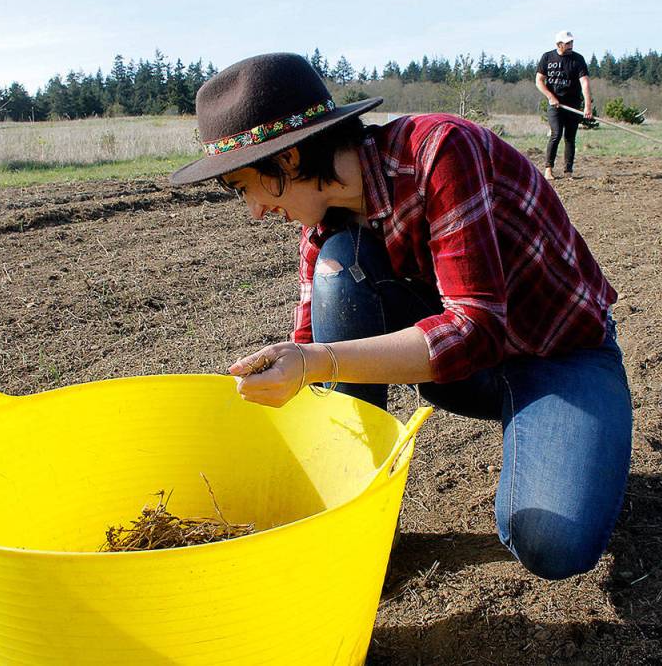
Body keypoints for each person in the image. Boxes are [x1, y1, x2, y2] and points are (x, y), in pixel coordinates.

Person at [170, 53, 631, 581]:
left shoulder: (441, 151)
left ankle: (569, 428)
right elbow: (309, 348)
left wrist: (314, 361)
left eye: (244, 186)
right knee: (339, 267)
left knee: (553, 543)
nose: (253, 210)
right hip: (465, 376)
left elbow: (475, 329)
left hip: (559, 355)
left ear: (290, 159)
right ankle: (356, 524)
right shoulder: (325, 229)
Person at [536, 31, 594, 180]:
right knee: (556, 134)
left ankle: (568, 171)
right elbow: (539, 81)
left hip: (573, 104)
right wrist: (550, 96)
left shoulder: (578, 59)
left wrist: (587, 105)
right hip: (555, 104)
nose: (570, 46)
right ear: (559, 44)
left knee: (570, 137)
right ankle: (548, 170)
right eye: (567, 43)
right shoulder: (547, 57)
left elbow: (584, 82)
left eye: (571, 42)